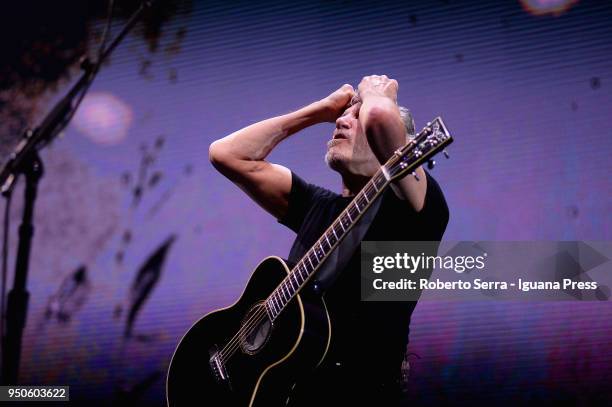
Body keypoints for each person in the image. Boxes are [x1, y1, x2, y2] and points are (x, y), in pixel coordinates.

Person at [209, 75, 449, 406]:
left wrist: (378, 94)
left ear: (397, 144)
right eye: (342, 116)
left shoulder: (416, 206)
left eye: (356, 116)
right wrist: (319, 111)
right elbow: (227, 154)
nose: (341, 120)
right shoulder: (315, 205)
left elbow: (380, 118)